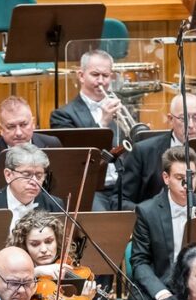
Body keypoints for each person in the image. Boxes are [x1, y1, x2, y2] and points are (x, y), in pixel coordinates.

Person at [129, 146, 196, 300]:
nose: (187, 185)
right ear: (166, 178)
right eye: (179, 178)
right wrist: (161, 293)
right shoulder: (147, 211)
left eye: (191, 177)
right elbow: (139, 262)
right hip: (163, 286)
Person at [49, 49, 134, 210]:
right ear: (81, 75)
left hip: (122, 187)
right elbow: (75, 158)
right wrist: (102, 122)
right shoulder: (63, 116)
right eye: (95, 75)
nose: (101, 81)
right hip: (92, 189)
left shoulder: (120, 108)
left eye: (106, 75)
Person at [0, 96, 62, 200]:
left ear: (33, 123)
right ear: (1, 129)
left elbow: (60, 189)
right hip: (3, 213)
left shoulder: (51, 144)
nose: (18, 133)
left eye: (23, 124)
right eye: (11, 127)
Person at [120, 92, 196, 205]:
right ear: (170, 119)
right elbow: (121, 200)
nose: (191, 125)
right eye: (184, 118)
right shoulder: (143, 151)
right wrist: (145, 214)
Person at [0, 143, 64, 231]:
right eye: (26, 174)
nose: (34, 181)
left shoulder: (55, 206)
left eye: (39, 175)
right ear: (8, 175)